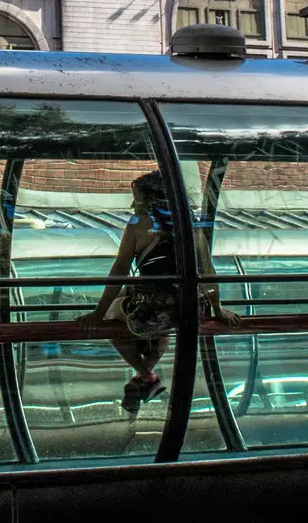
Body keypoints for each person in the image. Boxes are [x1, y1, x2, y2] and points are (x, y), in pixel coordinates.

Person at [77, 171, 238, 414]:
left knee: (113, 320)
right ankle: (141, 380)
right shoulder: (191, 224)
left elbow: (120, 269)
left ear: (152, 198)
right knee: (162, 333)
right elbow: (206, 269)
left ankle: (146, 375)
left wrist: (98, 313)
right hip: (188, 309)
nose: (133, 205)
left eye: (137, 198)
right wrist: (217, 308)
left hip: (152, 307)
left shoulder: (138, 224)